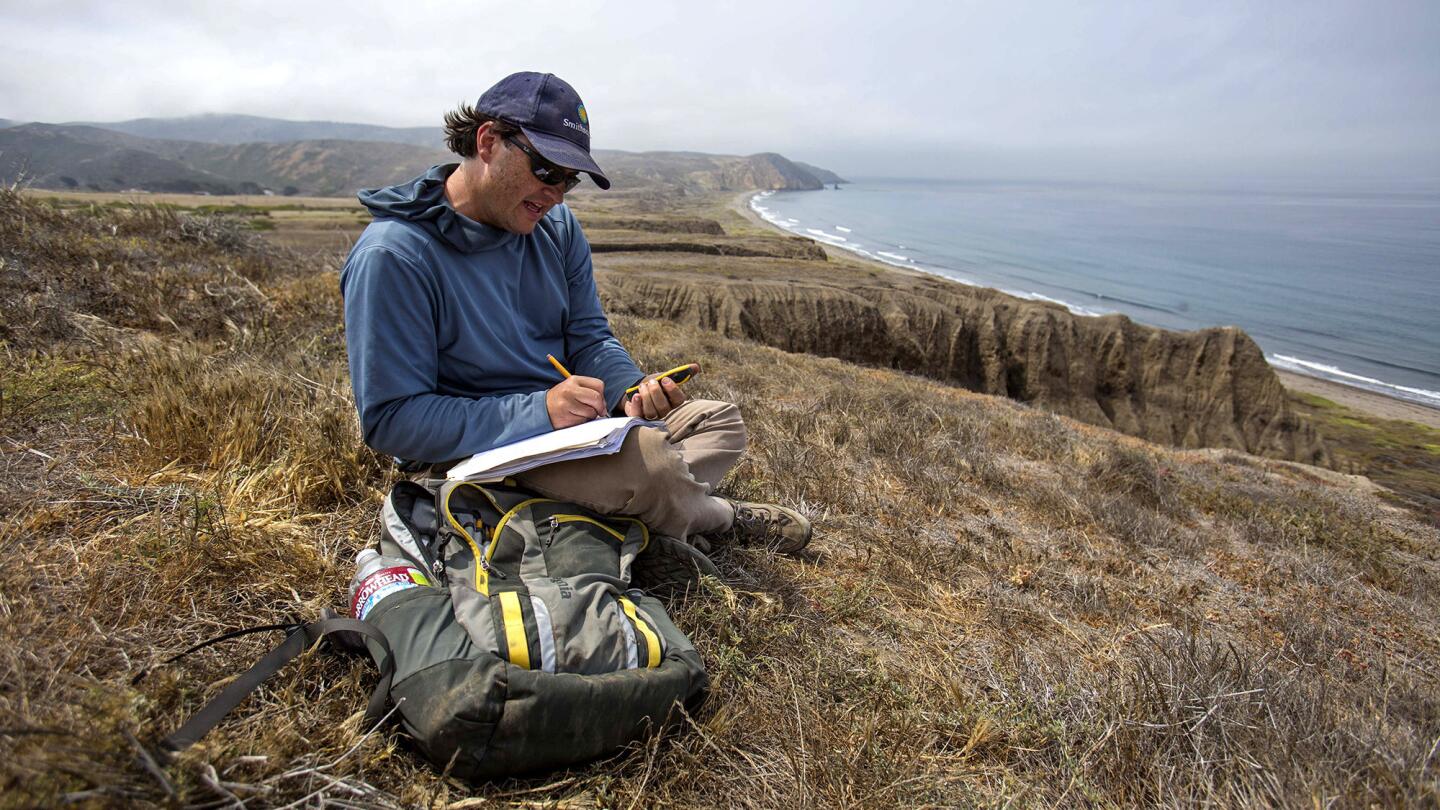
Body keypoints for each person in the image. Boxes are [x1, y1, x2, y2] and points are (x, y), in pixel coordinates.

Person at [339, 71, 810, 557]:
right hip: (475, 455)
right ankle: (715, 517)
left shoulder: (556, 225)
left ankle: (635, 513)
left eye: (570, 178)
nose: (557, 193)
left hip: (574, 433)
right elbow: (392, 421)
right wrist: (541, 411)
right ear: (487, 141)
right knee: (652, 461)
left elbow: (589, 336)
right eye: (546, 170)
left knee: (720, 422)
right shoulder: (395, 257)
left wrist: (629, 390)